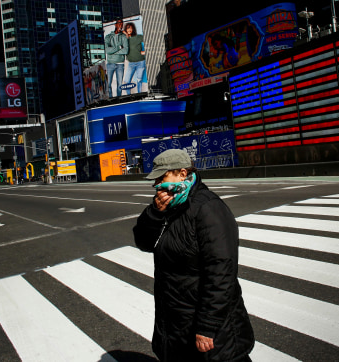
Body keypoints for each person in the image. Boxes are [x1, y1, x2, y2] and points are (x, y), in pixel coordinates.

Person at [133, 149, 255, 362]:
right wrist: (154, 213)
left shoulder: (208, 209)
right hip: (175, 321)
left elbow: (221, 273)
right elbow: (143, 242)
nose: (157, 185)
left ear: (182, 174)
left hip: (209, 326)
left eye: (162, 178)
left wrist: (208, 325)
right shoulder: (169, 205)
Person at [104, 18, 128, 98]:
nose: (120, 25)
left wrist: (113, 51)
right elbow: (107, 50)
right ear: (115, 24)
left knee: (119, 85)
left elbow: (126, 50)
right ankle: (110, 99)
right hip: (110, 63)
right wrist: (119, 47)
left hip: (120, 64)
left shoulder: (123, 37)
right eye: (119, 23)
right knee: (108, 84)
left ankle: (119, 99)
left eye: (121, 23)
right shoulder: (108, 37)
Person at [122, 22, 146, 95]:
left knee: (139, 80)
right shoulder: (125, 40)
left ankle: (139, 95)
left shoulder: (139, 37)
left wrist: (144, 51)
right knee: (126, 82)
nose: (129, 29)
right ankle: (129, 96)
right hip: (131, 63)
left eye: (130, 27)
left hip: (140, 62)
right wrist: (126, 36)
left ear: (133, 29)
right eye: (127, 28)